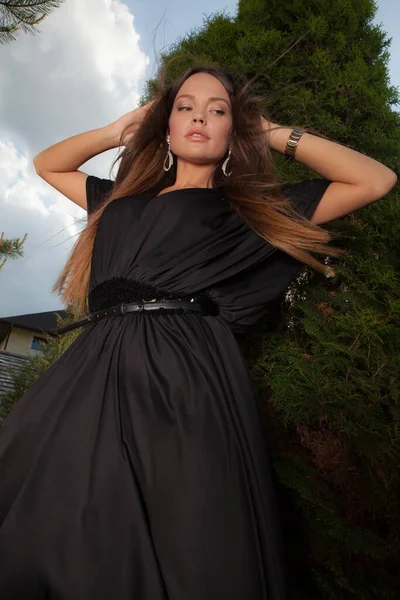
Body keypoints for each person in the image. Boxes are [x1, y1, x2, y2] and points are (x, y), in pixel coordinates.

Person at [0, 64, 396, 600]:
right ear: (165, 125)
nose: (200, 118)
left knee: (179, 532)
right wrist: (120, 130)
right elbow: (48, 164)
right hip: (93, 368)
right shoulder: (121, 201)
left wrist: (272, 133)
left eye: (218, 110)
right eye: (185, 106)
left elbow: (376, 180)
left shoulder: (249, 213)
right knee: (51, 515)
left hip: (184, 378)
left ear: (235, 130)